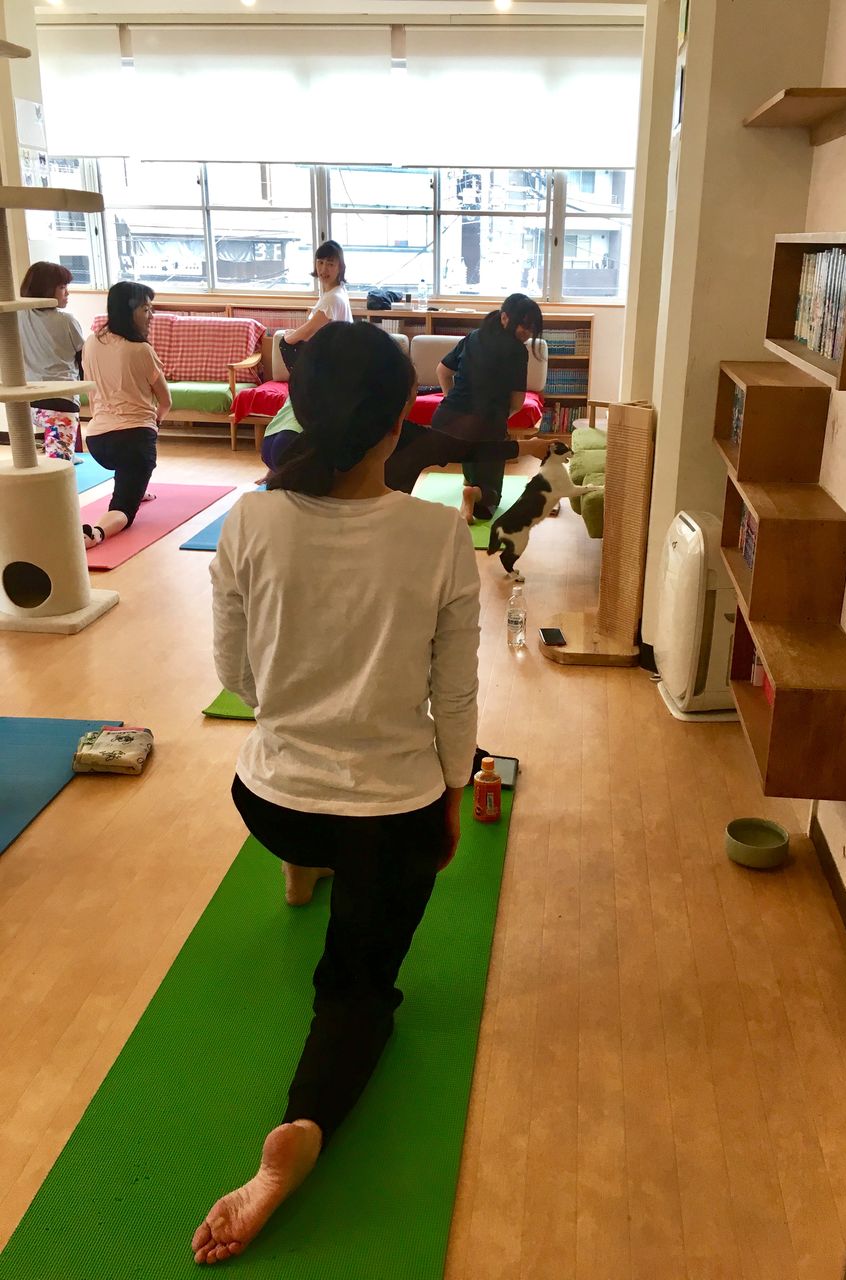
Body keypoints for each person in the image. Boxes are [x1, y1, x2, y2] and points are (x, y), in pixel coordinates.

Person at [196, 321, 480, 1265]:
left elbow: (236, 676)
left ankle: (300, 865)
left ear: (299, 411)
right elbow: (454, 698)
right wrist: (449, 799)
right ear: (401, 421)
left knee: (310, 824)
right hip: (389, 820)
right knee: (357, 991)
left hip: (269, 801)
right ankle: (301, 1130)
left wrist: (302, 715)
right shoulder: (440, 534)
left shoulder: (248, 519)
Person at [384, 292, 549, 522]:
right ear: (505, 318)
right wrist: (500, 420)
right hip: (484, 427)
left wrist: (451, 400)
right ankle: (475, 493)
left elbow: (443, 371)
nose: (527, 332)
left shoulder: (474, 337)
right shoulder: (517, 351)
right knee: (490, 499)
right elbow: (517, 402)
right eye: (524, 325)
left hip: (445, 420)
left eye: (532, 328)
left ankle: (470, 479)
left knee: (465, 445)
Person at [80, 282, 171, 549]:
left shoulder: (91, 342)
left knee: (130, 472)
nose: (151, 316)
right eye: (145, 309)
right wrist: (155, 424)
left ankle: (135, 488)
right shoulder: (140, 349)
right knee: (123, 509)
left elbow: (92, 393)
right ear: (128, 310)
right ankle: (96, 533)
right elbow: (166, 401)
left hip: (96, 440)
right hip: (134, 441)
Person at [16, 261, 84, 461]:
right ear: (45, 289)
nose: (67, 293)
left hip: (28, 399)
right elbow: (83, 357)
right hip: (61, 400)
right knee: (59, 462)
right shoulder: (66, 320)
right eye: (62, 287)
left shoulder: (16, 316)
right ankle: (63, 455)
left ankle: (64, 452)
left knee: (58, 453)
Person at [276, 240, 352, 372]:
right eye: (320, 262)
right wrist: (294, 334)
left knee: (285, 343)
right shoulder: (336, 290)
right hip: (334, 356)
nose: (323, 269)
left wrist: (288, 338)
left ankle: (303, 383)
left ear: (340, 267)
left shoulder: (333, 298)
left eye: (330, 264)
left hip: (334, 362)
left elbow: (308, 330)